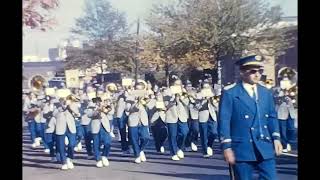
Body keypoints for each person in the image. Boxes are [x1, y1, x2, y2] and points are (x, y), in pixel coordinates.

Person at [218, 55, 283, 180]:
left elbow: (271, 116)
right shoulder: (231, 93)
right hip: (242, 147)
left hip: (264, 145)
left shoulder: (265, 92)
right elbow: (224, 121)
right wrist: (226, 147)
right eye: (253, 71)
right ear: (242, 72)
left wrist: (276, 137)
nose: (257, 74)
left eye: (260, 71)